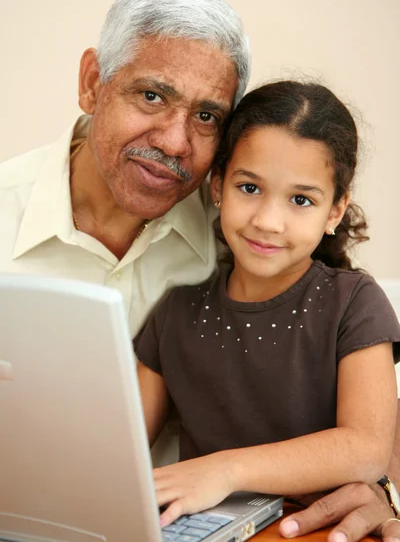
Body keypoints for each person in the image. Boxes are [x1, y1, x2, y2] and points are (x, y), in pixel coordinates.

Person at [0, 0, 399, 541]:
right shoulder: (184, 304)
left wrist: (389, 489)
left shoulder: (276, 258)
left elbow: (368, 434)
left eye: (207, 116)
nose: (173, 141)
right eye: (152, 95)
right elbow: (110, 451)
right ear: (93, 83)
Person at [134, 81, 400, 530]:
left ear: (335, 211)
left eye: (301, 200)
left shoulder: (353, 303)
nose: (267, 221)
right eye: (249, 187)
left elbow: (365, 448)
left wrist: (226, 469)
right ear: (218, 185)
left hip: (316, 533)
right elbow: (120, 449)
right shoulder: (176, 312)